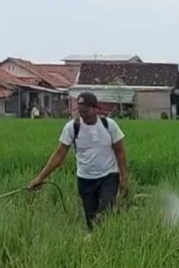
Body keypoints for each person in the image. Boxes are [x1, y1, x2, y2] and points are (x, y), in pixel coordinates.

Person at [27, 92, 129, 230]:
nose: (83, 115)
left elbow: (120, 152)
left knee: (105, 213)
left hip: (109, 176)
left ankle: (107, 238)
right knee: (91, 219)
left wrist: (124, 177)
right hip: (85, 179)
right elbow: (59, 154)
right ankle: (96, 244)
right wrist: (40, 178)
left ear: (96, 109)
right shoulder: (72, 127)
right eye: (80, 112)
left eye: (86, 111)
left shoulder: (109, 125)